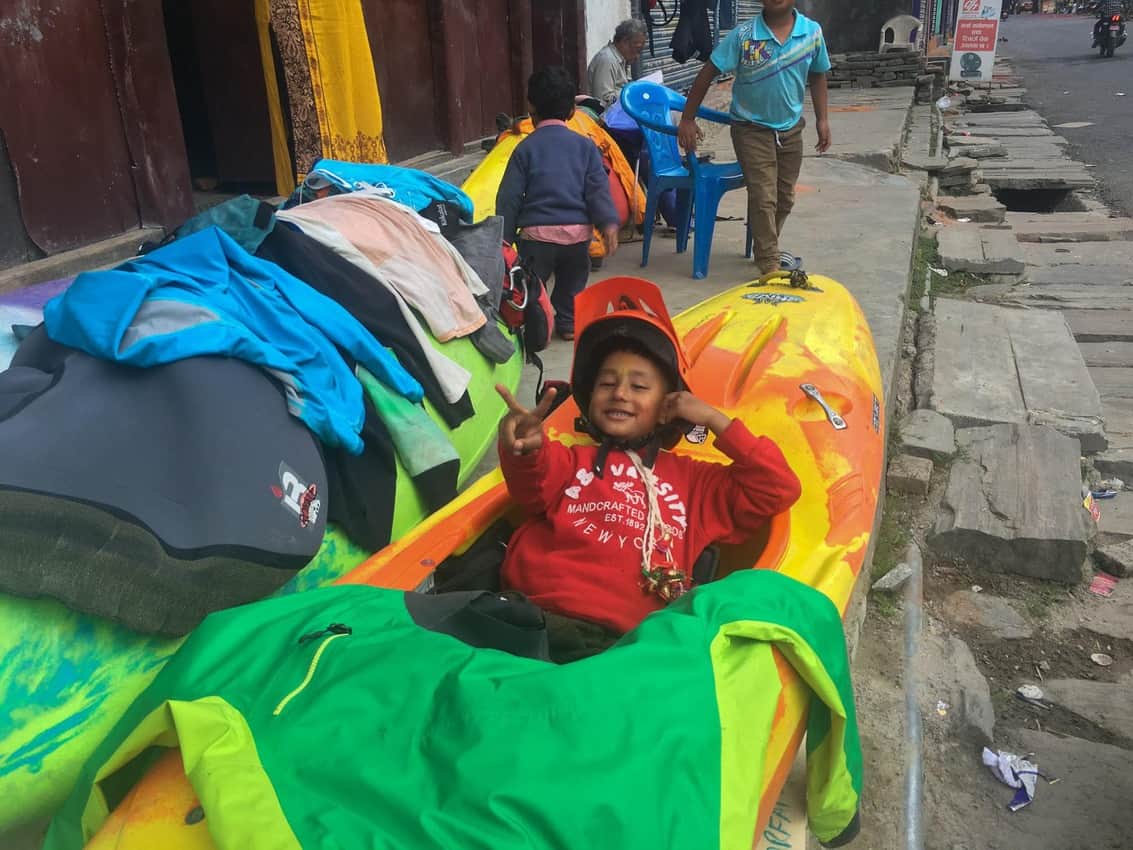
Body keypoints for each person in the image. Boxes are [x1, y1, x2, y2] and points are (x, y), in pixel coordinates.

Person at [494, 277, 802, 663]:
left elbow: (777, 487)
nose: (619, 392)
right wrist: (523, 446)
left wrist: (713, 419)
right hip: (531, 622)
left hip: (628, 647)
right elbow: (530, 484)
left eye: (639, 387)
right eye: (607, 383)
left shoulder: (697, 483)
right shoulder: (569, 460)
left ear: (669, 404)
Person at [677, 0, 832, 276]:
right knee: (763, 196)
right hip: (750, 128)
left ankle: (764, 242)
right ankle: (769, 262)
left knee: (784, 198)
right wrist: (687, 119)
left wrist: (823, 119)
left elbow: (818, 75)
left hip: (791, 129)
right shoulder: (743, 35)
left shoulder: (812, 32)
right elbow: (707, 72)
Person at [496, 67, 620, 341]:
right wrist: (608, 223)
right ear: (572, 111)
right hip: (577, 239)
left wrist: (503, 240)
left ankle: (535, 324)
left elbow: (509, 197)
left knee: (532, 284)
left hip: (536, 237)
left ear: (531, 107)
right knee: (572, 284)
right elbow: (597, 190)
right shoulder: (585, 147)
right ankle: (567, 322)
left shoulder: (525, 148)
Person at [587, 19, 648, 109]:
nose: (637, 56)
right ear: (624, 42)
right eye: (637, 49)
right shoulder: (607, 60)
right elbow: (603, 101)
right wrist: (631, 97)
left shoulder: (622, 60)